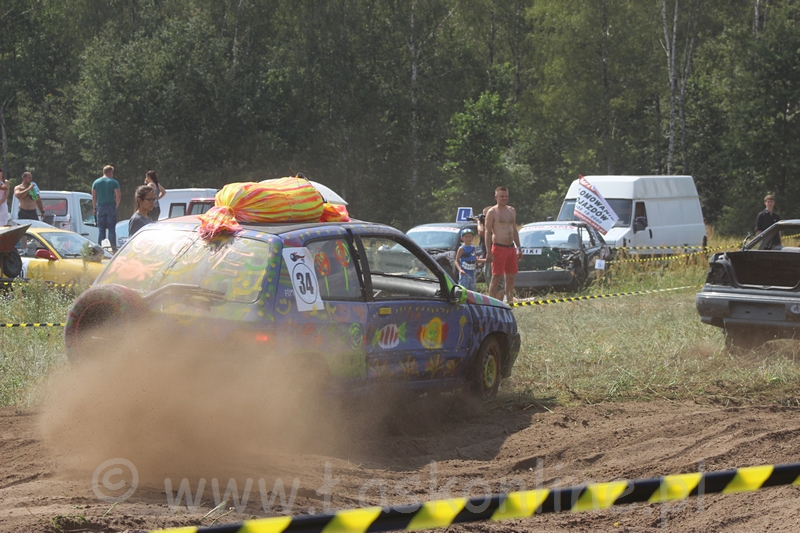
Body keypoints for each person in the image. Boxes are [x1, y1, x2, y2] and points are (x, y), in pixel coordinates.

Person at [485, 186, 522, 302]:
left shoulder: (511, 210)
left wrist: (519, 247)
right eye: (502, 196)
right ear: (496, 197)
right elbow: (487, 232)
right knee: (496, 276)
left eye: (506, 196)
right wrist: (488, 251)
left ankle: (509, 302)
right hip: (499, 247)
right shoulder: (492, 212)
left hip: (511, 247)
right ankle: (491, 303)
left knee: (510, 276)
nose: (504, 198)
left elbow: (514, 230)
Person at [92, 165, 121, 251]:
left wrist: (94, 208)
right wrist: (115, 205)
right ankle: (113, 249)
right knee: (111, 229)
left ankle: (101, 249)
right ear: (110, 172)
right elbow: (118, 196)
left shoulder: (96, 182)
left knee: (101, 230)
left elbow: (94, 197)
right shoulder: (114, 182)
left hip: (100, 206)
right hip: (110, 206)